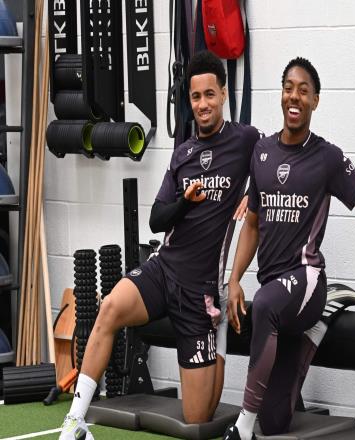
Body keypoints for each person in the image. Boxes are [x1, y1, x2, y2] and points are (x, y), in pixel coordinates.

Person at [223, 57, 355, 440]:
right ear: (281, 94)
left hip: (305, 279)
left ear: (315, 101)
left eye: (303, 91)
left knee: (266, 305)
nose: (294, 96)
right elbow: (252, 223)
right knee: (274, 422)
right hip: (278, 291)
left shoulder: (327, 158)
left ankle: (241, 427)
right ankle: (315, 329)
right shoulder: (261, 153)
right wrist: (235, 278)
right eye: (288, 88)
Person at [59, 50, 262, 440]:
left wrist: (251, 196)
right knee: (109, 308)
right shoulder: (183, 152)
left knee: (198, 415)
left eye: (209, 95)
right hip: (162, 270)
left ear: (222, 94)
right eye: (195, 97)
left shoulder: (245, 140)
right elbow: (156, 219)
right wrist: (185, 200)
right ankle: (75, 420)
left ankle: (218, 331)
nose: (202, 104)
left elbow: (274, 165)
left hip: (201, 291)